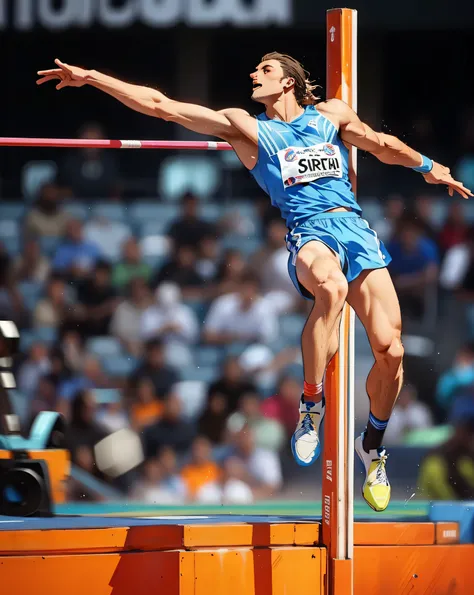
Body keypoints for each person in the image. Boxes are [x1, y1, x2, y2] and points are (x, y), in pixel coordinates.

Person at [36, 53, 472, 512]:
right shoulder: (249, 128)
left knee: (392, 350)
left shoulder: (332, 116)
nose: (252, 74)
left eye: (263, 70)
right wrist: (93, 77)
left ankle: (373, 446)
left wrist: (430, 166)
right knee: (331, 289)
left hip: (357, 230)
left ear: (288, 82)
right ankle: (311, 404)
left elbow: (381, 143)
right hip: (310, 233)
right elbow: (161, 104)